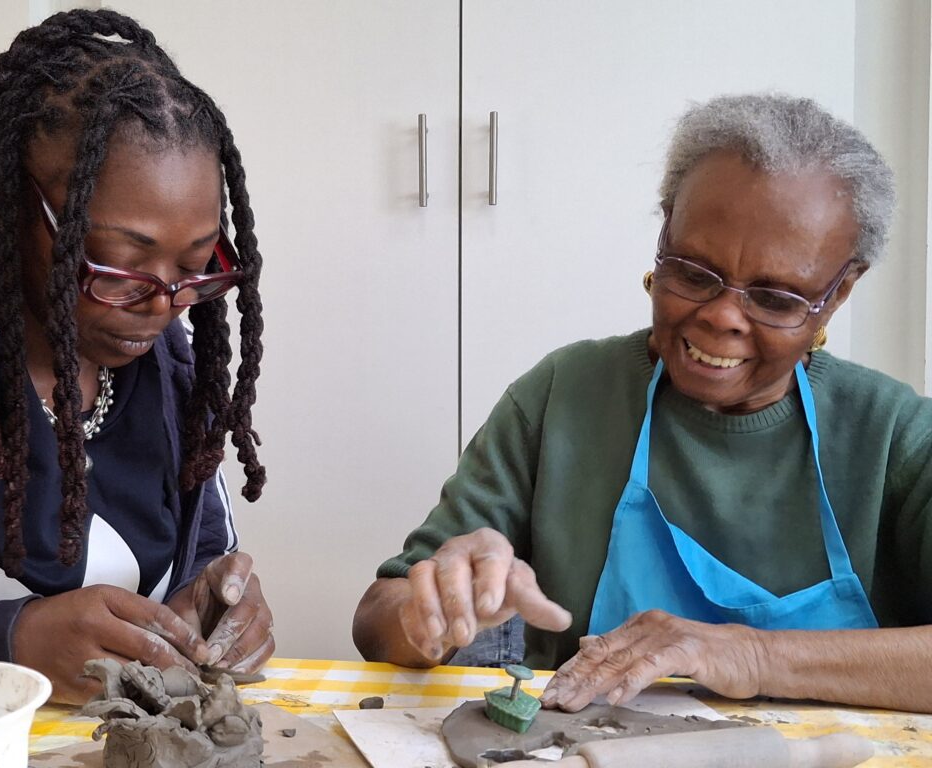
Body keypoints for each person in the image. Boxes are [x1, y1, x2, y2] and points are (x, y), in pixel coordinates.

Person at [354, 93, 932, 714]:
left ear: (839, 292)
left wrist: (749, 654)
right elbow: (376, 621)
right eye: (693, 272)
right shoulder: (565, 396)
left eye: (775, 298)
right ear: (665, 231)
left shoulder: (894, 435)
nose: (722, 317)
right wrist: (433, 609)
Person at [0, 9, 274, 703]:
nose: (163, 304)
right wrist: (5, 644)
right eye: (117, 262)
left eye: (196, 267)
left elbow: (205, 552)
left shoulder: (170, 369)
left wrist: (215, 602)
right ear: (15, 209)